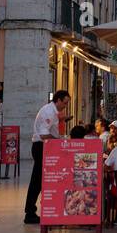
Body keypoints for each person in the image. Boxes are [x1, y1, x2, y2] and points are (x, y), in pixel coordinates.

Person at [25, 89, 69, 224]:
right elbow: (44, 135)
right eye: (65, 103)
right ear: (58, 100)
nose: (65, 106)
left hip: (46, 147)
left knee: (42, 180)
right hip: (41, 147)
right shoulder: (48, 112)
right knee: (37, 180)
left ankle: (45, 208)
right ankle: (30, 212)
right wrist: (59, 142)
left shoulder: (54, 112)